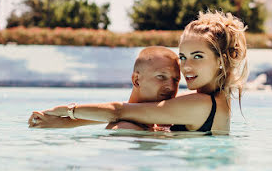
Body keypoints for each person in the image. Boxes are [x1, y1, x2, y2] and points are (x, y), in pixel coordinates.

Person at [29, 11, 249, 135]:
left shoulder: (201, 105)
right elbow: (134, 111)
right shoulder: (211, 101)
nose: (187, 66)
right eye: (183, 57)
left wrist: (68, 110)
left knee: (123, 127)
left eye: (198, 56)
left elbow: (119, 111)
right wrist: (61, 124)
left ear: (220, 60)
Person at [28, 46, 180, 130]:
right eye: (161, 76)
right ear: (136, 80)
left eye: (176, 79)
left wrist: (68, 121)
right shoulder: (125, 130)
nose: (171, 86)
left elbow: (119, 111)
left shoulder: (164, 119)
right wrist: (68, 116)